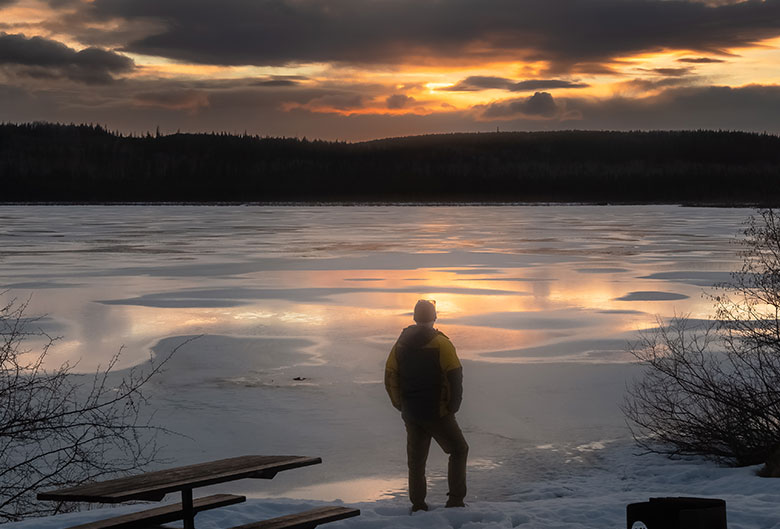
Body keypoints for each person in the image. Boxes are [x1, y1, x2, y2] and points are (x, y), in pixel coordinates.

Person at [385, 299, 469, 512]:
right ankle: (456, 501)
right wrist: (452, 406)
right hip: (437, 412)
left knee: (416, 461)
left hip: (411, 411)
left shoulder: (401, 343)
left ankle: (418, 504)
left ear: (414, 318)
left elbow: (390, 376)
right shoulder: (442, 343)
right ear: (434, 317)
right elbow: (455, 377)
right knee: (459, 450)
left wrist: (399, 404)